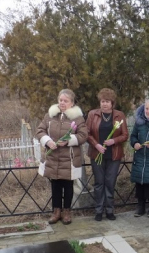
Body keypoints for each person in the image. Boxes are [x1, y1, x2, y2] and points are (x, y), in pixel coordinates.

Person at [36, 89, 88, 225]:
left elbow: (83, 135)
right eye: (60, 100)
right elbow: (40, 130)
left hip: (69, 158)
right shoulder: (50, 116)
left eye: (66, 101)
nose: (62, 103)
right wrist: (48, 141)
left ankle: (66, 212)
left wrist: (68, 140)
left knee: (68, 186)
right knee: (55, 186)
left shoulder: (77, 118)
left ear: (72, 103)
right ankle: (56, 212)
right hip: (53, 157)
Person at [86, 88, 129, 221]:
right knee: (99, 183)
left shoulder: (119, 115)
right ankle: (99, 211)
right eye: (102, 101)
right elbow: (87, 133)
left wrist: (113, 141)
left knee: (110, 183)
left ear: (112, 103)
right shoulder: (93, 114)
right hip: (97, 154)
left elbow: (125, 135)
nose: (104, 104)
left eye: (107, 101)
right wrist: (96, 145)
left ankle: (110, 210)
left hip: (114, 155)